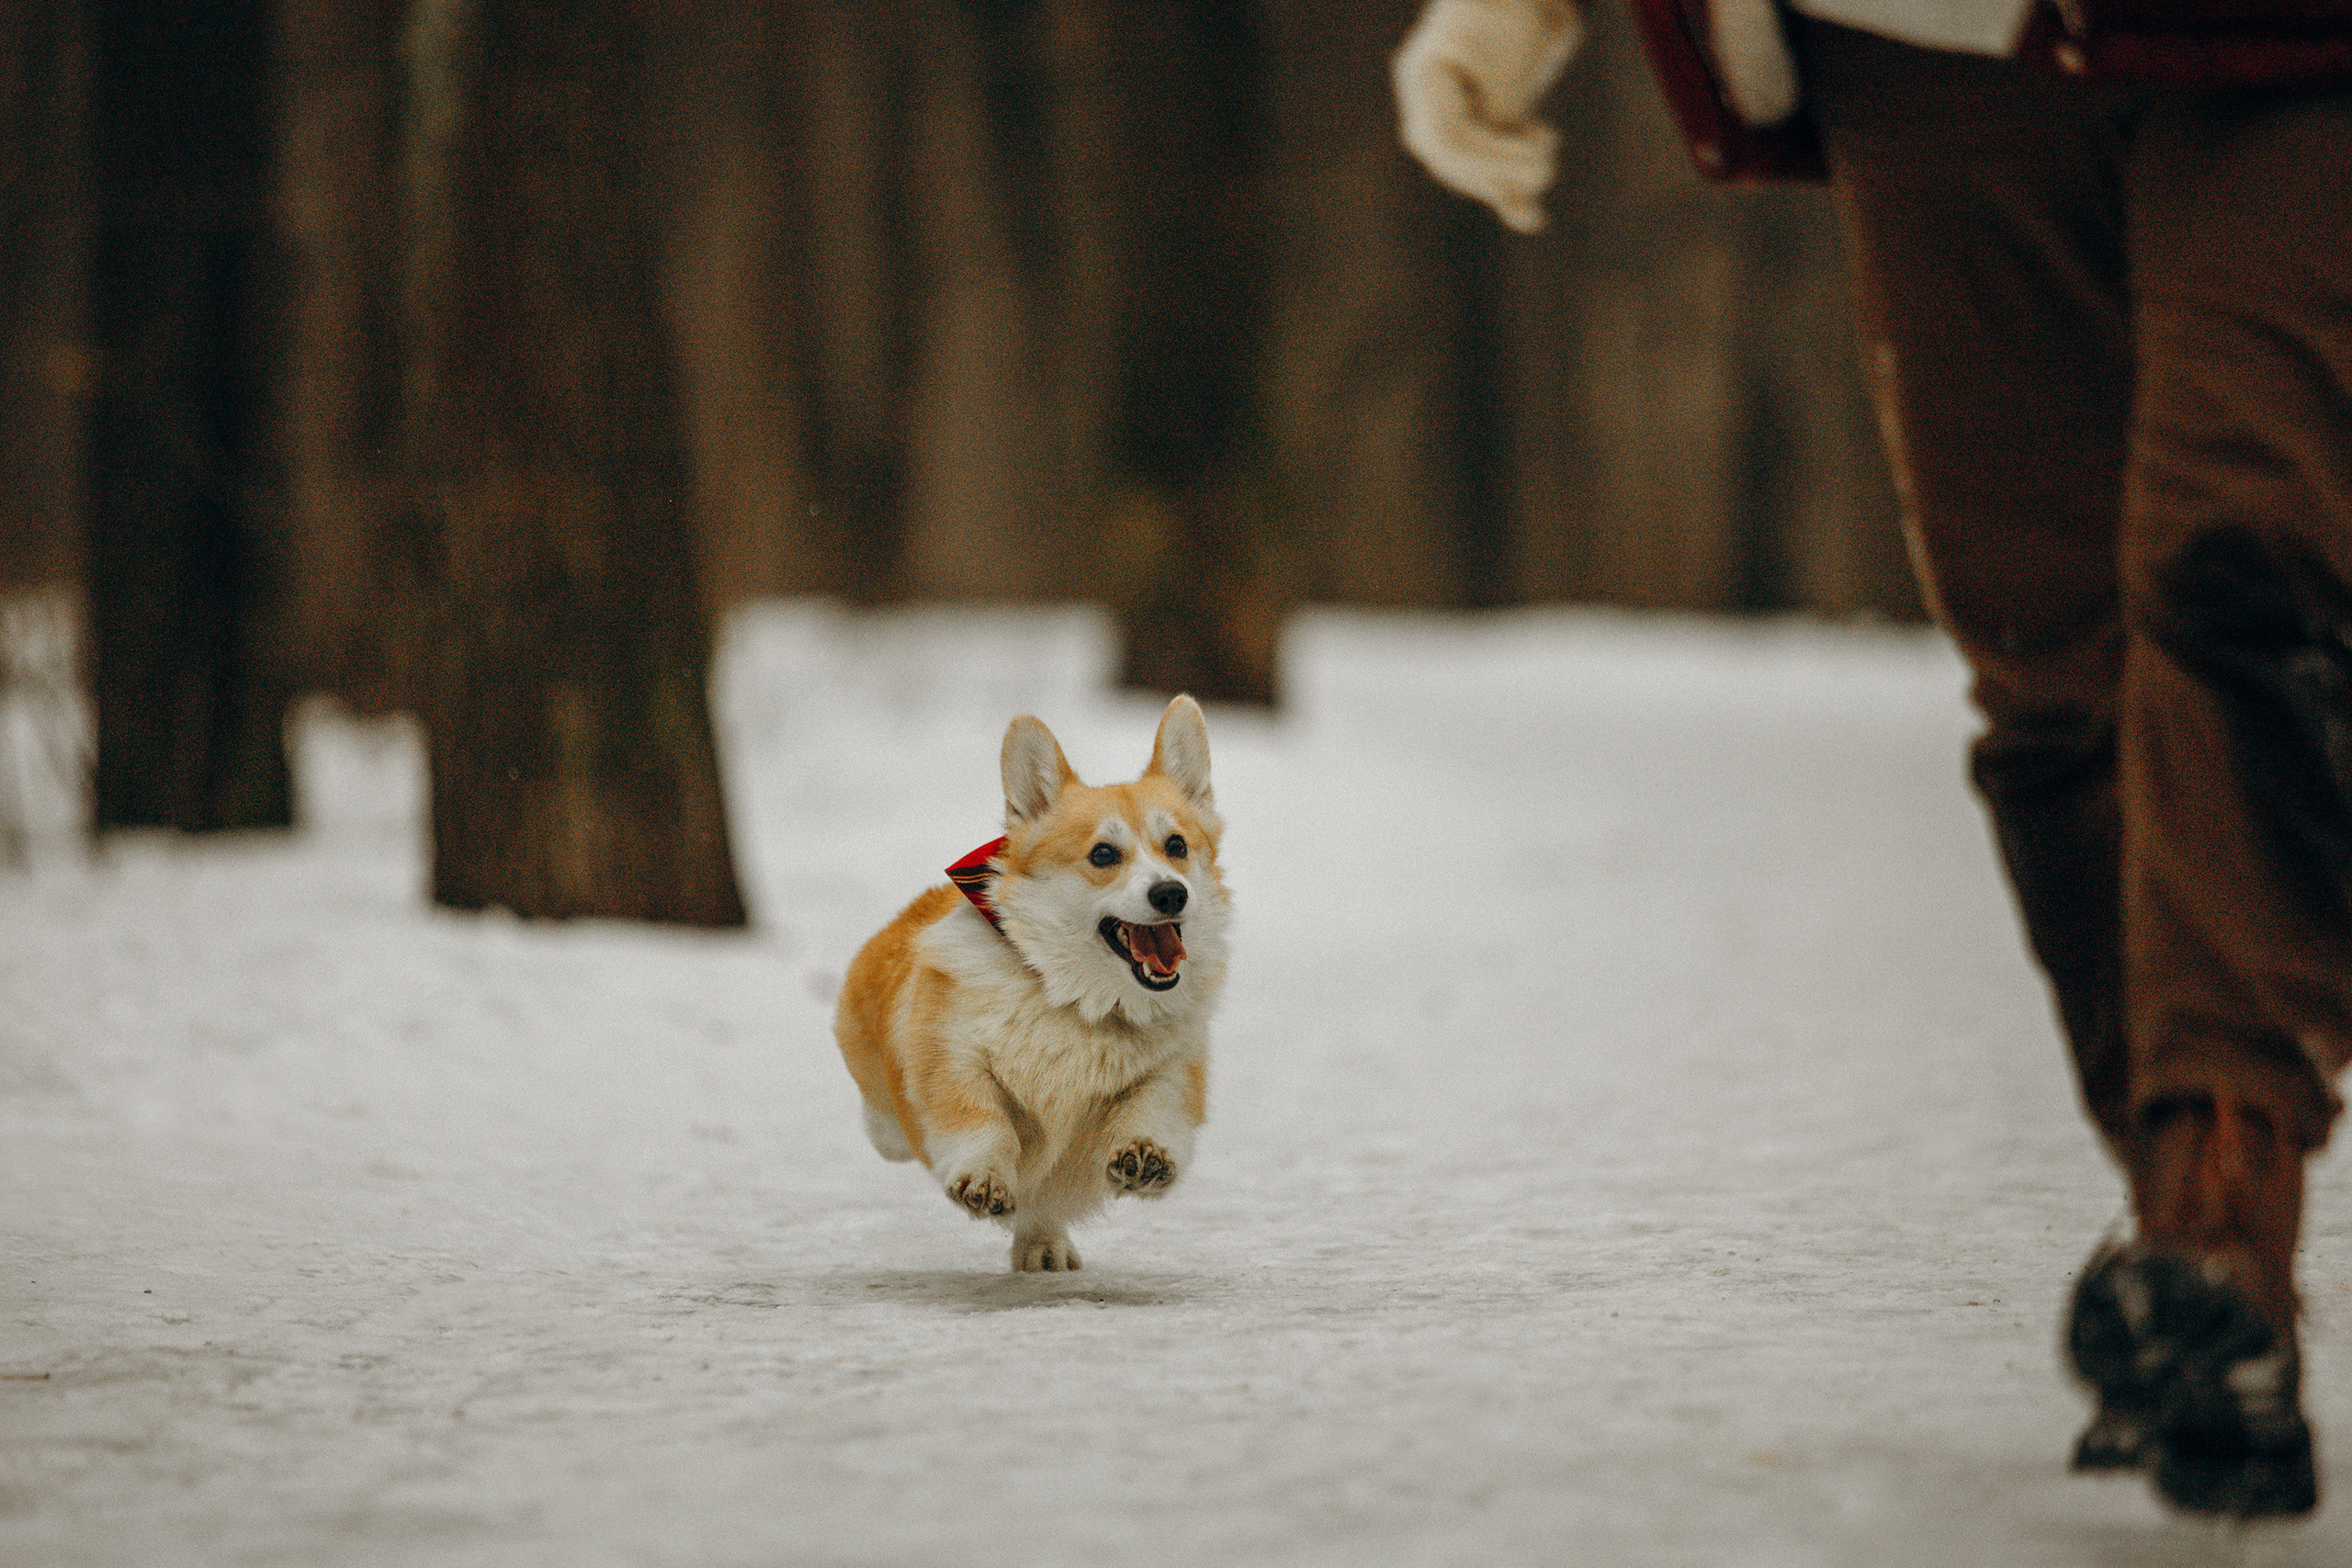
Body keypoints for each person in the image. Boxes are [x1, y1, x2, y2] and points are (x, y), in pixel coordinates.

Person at [1394, 0, 2352, 1522]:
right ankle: (2197, 1275)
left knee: (2251, 561)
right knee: (2051, 668)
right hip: (1926, 38)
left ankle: (2216, 1203)